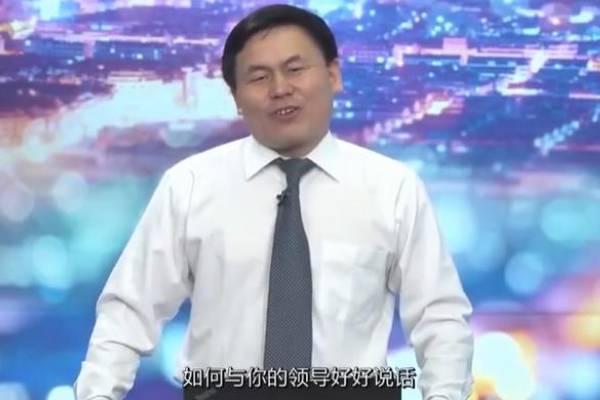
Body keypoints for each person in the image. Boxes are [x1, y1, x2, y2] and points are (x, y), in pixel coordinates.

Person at [74, 4, 474, 400]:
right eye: (259, 77)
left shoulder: (392, 187)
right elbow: (129, 312)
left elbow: (439, 318)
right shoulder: (190, 185)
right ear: (236, 96)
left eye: (295, 69)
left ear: (333, 75)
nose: (280, 88)